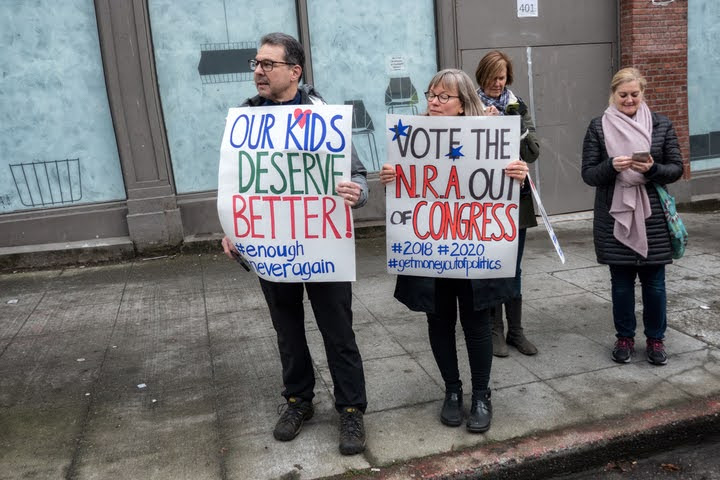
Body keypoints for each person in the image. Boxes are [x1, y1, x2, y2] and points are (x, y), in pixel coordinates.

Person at [221, 32, 369, 455]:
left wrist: (358, 192)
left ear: (294, 71)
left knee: (337, 331)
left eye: (268, 64)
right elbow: (237, 185)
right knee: (287, 330)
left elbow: (359, 176)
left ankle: (351, 410)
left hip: (322, 246)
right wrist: (232, 229)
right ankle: (298, 401)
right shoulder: (245, 119)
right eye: (256, 63)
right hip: (272, 247)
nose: (258, 71)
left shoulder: (323, 117)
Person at [379, 69, 529, 433]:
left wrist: (518, 177)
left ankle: (481, 395)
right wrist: (390, 179)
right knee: (439, 321)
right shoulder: (412, 137)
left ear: (462, 104)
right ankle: (452, 390)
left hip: (474, 250)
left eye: (443, 96)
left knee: (477, 324)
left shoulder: (489, 137)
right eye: (431, 94)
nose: (433, 101)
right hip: (431, 251)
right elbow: (407, 194)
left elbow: (507, 194)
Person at [581, 67, 683, 366]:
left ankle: (655, 340)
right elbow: (588, 174)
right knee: (621, 285)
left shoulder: (661, 124)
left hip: (653, 216)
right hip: (614, 215)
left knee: (655, 285)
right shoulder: (598, 127)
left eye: (634, 94)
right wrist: (611, 166)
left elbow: (676, 168)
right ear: (613, 94)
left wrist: (652, 169)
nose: (629, 100)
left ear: (643, 93)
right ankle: (624, 338)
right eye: (623, 95)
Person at [475, 50, 540, 357]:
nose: (497, 83)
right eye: (492, 77)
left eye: (501, 78)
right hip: (482, 203)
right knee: (491, 266)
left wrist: (515, 126)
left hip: (516, 201)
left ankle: (516, 331)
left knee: (513, 266)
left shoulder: (517, 106)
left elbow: (533, 152)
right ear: (481, 77)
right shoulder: (468, 108)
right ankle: (494, 329)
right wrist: (479, 123)